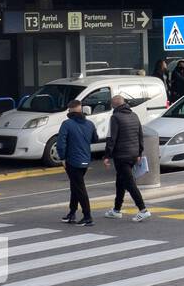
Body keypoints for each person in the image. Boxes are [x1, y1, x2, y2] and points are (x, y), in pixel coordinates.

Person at [104, 94, 150, 222]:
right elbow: (140, 135)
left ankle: (143, 210)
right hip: (133, 154)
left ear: (114, 105)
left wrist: (107, 155)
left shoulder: (115, 118)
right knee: (120, 182)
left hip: (121, 156)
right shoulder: (134, 116)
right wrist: (139, 153)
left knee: (129, 183)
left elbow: (112, 138)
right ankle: (116, 210)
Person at [56, 100, 96, 226]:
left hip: (72, 161)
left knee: (79, 188)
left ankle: (87, 216)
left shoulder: (67, 124)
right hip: (85, 159)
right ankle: (72, 213)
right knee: (75, 186)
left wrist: (62, 158)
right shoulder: (89, 123)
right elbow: (95, 138)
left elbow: (61, 143)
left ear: (70, 110)